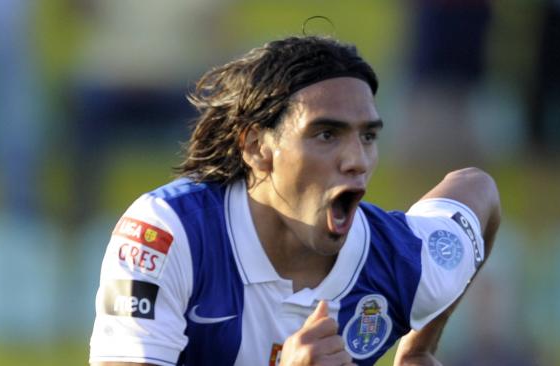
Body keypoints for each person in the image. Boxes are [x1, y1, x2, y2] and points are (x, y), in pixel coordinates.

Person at [89, 36, 501, 365]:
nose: (357, 160)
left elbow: (477, 189)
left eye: (368, 137)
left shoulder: (401, 261)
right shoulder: (166, 233)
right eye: (326, 134)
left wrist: (418, 348)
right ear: (256, 147)